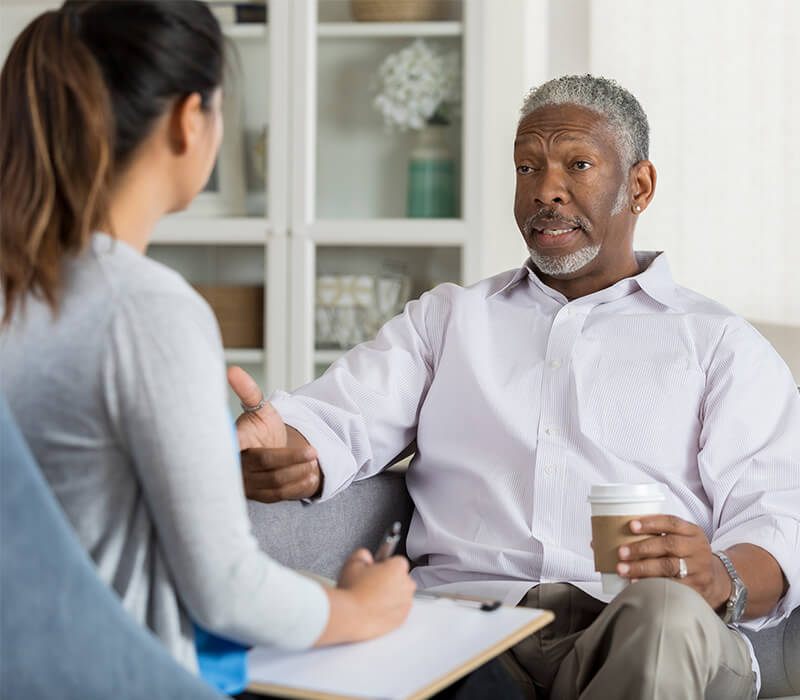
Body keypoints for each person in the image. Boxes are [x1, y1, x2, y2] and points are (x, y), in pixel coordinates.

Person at [228, 75, 800, 699]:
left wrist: (720, 577)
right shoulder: (449, 319)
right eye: (527, 168)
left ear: (639, 187)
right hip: (471, 624)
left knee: (662, 618)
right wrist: (291, 447)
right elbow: (338, 420)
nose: (545, 190)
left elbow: (779, 519)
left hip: (646, 627)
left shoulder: (719, 342)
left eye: (577, 164)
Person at [0, 2, 416, 695]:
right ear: (189, 120)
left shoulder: (26, 289)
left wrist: (212, 456)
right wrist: (361, 609)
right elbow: (225, 588)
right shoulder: (146, 310)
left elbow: (70, 507)